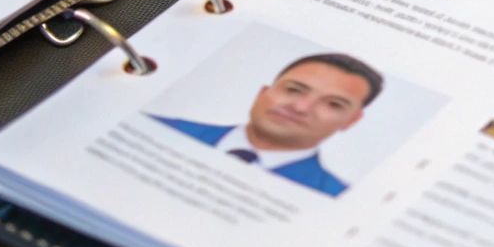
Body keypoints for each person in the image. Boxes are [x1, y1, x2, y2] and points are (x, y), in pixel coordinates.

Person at [152, 53, 383, 197]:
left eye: (333, 104)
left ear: (351, 121)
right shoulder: (159, 129)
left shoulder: (335, 197)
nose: (300, 107)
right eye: (293, 90)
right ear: (263, 93)